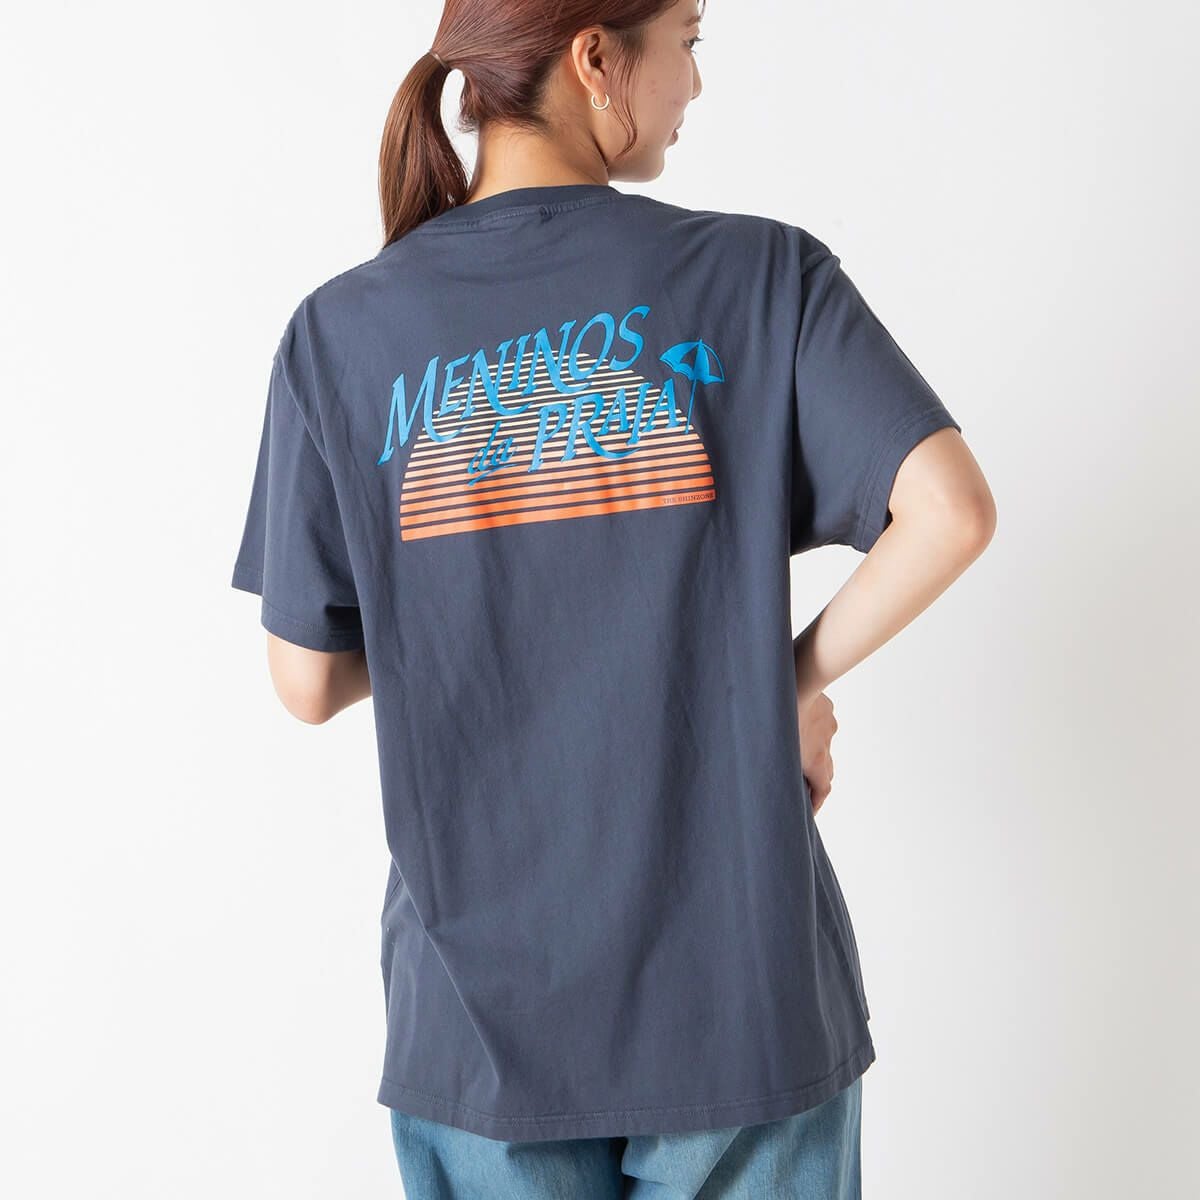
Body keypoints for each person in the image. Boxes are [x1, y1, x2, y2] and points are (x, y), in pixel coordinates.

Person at [229, 0, 996, 1194]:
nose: (696, 83)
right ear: (596, 56)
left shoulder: (339, 334)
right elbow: (950, 512)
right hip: (739, 994)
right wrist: (773, 687)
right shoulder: (760, 278)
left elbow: (307, 679)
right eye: (688, 40)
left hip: (478, 1027)